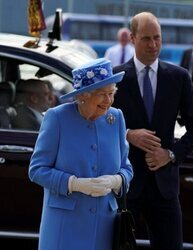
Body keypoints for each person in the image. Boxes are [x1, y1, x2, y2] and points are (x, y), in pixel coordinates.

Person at [113, 12, 193, 250]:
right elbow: (97, 123)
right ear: (133, 38)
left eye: (157, 38)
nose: (153, 45)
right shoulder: (115, 78)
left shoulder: (179, 77)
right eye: (146, 38)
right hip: (124, 185)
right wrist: (128, 135)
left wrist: (171, 154)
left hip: (164, 188)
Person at [28, 58, 133, 250]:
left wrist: (115, 181)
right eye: (102, 94)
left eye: (112, 93)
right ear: (83, 96)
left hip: (104, 226)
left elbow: (126, 168)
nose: (108, 101)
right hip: (65, 226)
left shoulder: (115, 118)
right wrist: (75, 184)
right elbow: (37, 170)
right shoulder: (58, 117)